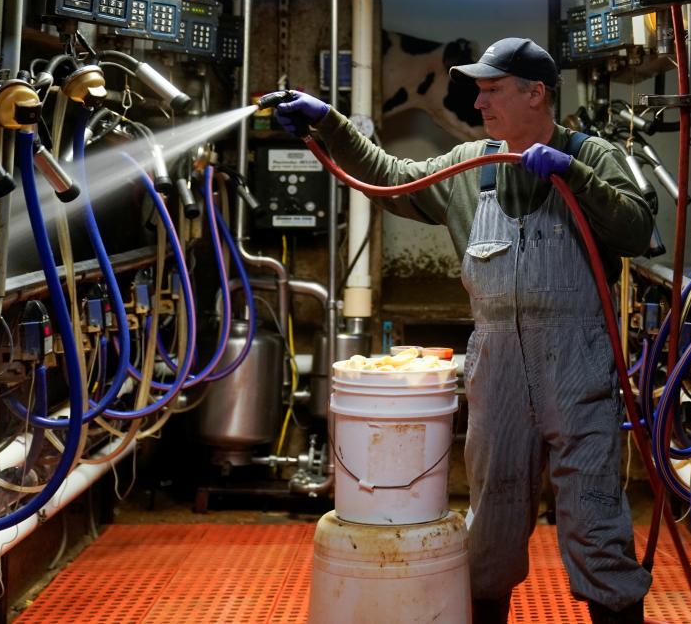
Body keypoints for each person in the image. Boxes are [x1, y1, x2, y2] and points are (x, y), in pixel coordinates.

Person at [267, 37, 653, 624]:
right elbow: (388, 176)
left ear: (536, 93)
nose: (479, 103)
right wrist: (331, 124)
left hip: (577, 367)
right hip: (496, 369)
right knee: (491, 524)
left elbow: (637, 227)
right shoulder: (469, 169)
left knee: (596, 515)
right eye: (479, 91)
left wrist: (574, 176)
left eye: (493, 90)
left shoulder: (592, 155)